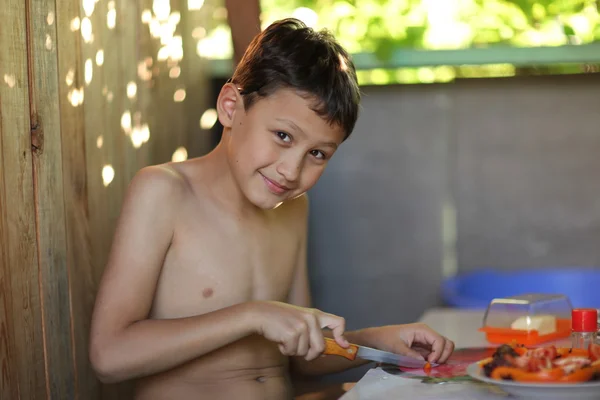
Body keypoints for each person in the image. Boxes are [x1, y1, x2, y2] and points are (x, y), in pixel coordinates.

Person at [89, 18, 455, 400]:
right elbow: (109, 355)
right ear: (231, 107)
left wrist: (378, 341)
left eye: (317, 154)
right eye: (283, 136)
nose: (291, 170)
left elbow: (303, 357)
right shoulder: (164, 192)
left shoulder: (293, 208)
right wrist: (253, 315)